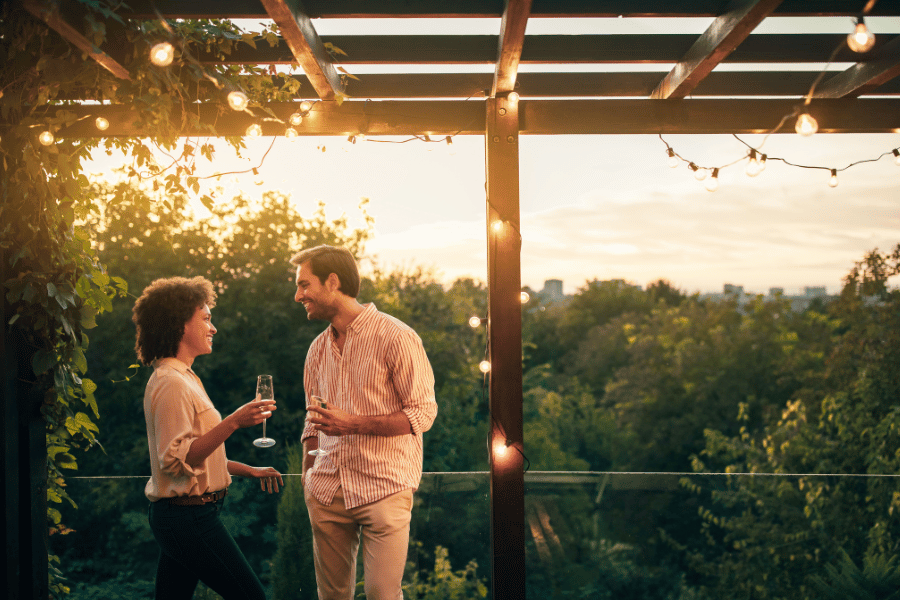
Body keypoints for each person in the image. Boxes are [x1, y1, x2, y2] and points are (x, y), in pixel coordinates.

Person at [292, 245, 438, 600]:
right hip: (327, 491)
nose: (298, 296)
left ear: (332, 281)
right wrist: (309, 478)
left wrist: (353, 423)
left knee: (382, 595)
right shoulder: (317, 350)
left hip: (384, 489)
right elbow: (313, 423)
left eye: (304, 285)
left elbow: (422, 413)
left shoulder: (397, 337)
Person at [133, 276, 284, 600]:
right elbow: (177, 460)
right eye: (205, 318)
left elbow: (200, 455)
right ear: (180, 324)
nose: (213, 327)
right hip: (188, 518)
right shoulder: (171, 382)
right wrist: (233, 422)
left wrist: (249, 471)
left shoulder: (184, 378)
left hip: (185, 516)